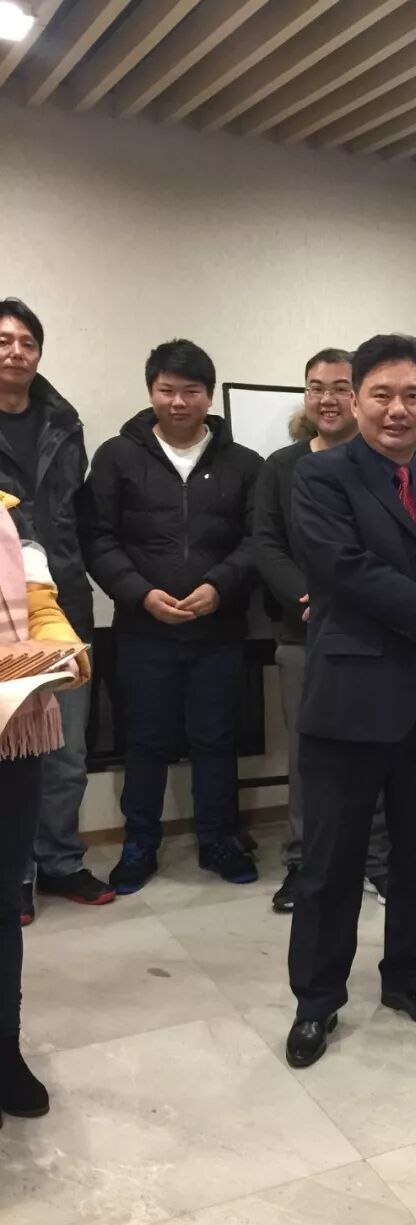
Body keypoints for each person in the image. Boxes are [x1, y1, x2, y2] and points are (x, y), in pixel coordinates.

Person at [284, 333, 416, 1069]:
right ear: (355, 399)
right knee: (330, 863)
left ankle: (407, 976)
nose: (397, 409)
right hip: (349, 700)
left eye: (413, 395)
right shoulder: (320, 477)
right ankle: (316, 1000)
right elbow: (345, 570)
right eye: (382, 394)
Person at [79, 339, 262, 892]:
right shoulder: (117, 456)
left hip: (218, 630)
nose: (178, 402)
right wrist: (139, 593)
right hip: (142, 629)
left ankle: (218, 839)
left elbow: (258, 541)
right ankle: (139, 843)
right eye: (166, 390)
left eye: (191, 391)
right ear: (150, 392)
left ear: (209, 394)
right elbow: (97, 536)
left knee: (216, 738)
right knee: (145, 740)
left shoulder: (244, 464)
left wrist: (219, 586)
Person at [255, 347, 392, 915]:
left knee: (378, 749)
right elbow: (267, 545)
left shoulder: (388, 460)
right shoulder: (281, 467)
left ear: (357, 396)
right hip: (303, 633)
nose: (328, 398)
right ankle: (304, 862)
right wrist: (308, 597)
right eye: (317, 387)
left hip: (378, 635)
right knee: (308, 757)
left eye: (340, 387)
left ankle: (377, 861)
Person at [0, 299, 114, 923]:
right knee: (11, 746)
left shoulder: (63, 422)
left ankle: (62, 860)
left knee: (66, 745)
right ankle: (13, 872)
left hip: (63, 598)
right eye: (3, 340)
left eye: (27, 342)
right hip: (1, 607)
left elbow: (76, 513)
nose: (15, 352)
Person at [0, 489, 90, 1121]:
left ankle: (4, 1049)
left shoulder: (8, 515)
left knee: (3, 902)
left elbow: (40, 604)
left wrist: (62, 652)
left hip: (12, 732)